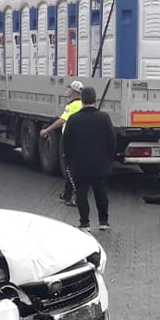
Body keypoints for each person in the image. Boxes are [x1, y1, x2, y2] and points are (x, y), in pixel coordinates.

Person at [61, 86, 115, 232]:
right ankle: (104, 221)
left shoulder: (73, 119)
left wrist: (69, 160)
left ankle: (85, 223)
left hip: (79, 164)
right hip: (100, 164)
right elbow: (112, 140)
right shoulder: (104, 118)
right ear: (95, 100)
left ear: (82, 100)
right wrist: (108, 159)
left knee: (81, 194)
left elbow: (66, 142)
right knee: (101, 193)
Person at [41, 80, 85, 205]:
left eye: (69, 89)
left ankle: (74, 195)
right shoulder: (81, 104)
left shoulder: (73, 106)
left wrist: (47, 130)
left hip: (70, 139)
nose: (68, 91)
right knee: (72, 167)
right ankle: (67, 193)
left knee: (69, 168)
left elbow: (62, 120)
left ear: (74, 91)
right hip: (79, 139)